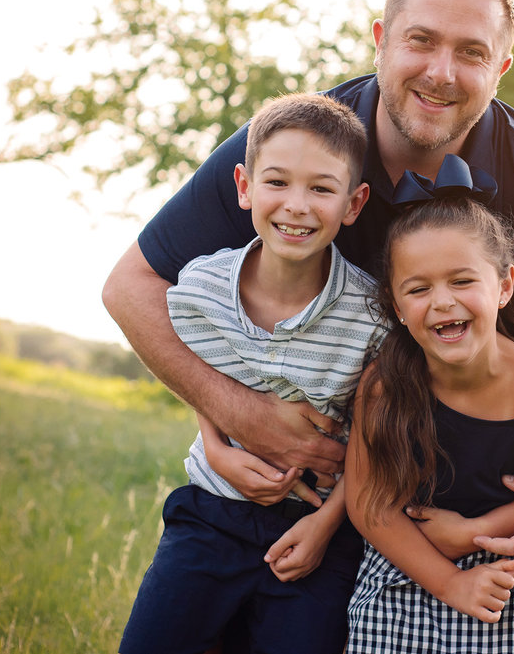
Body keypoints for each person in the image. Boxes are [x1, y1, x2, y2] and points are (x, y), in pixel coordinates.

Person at [102, 0, 514, 570]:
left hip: (454, 519)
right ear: (381, 42)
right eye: (421, 41)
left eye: (471, 52)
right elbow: (132, 285)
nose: (441, 72)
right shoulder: (296, 146)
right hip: (290, 491)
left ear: (501, 69)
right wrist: (233, 410)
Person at [118, 93, 386, 654]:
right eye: (277, 182)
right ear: (243, 186)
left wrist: (326, 525)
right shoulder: (200, 286)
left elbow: (372, 436)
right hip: (211, 514)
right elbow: (200, 370)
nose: (297, 205)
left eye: (321, 188)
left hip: (314, 532)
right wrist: (216, 448)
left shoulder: (371, 318)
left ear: (353, 202)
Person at [344, 163, 514, 653]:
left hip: (506, 578)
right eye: (418, 289)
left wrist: (475, 533)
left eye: (462, 281)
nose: (441, 302)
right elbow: (367, 502)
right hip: (405, 560)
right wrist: (448, 581)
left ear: (503, 286)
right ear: (396, 305)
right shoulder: (384, 385)